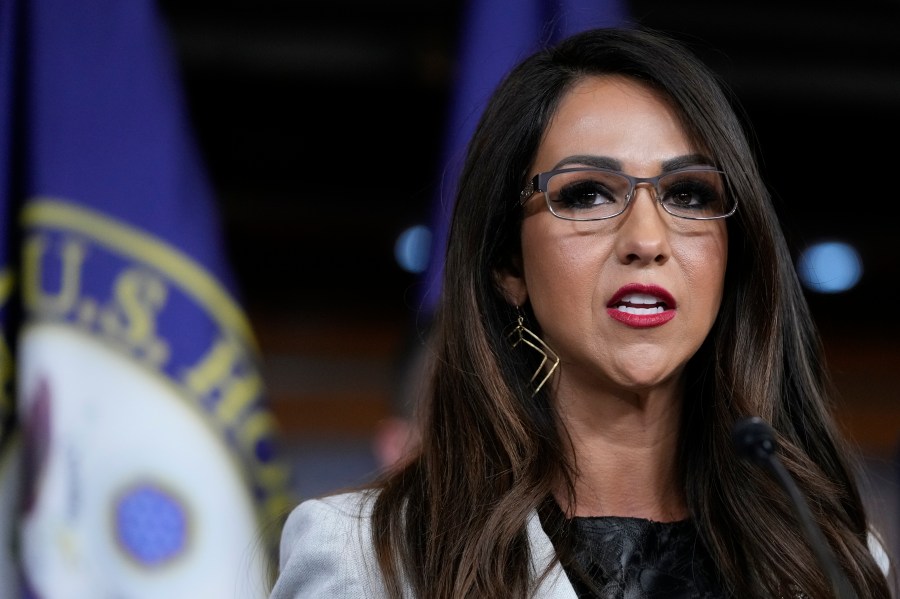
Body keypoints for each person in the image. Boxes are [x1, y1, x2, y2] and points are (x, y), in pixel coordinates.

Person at [268, 26, 895, 598]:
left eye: (687, 193)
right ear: (507, 264)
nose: (647, 240)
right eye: (588, 194)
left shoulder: (832, 560)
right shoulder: (368, 558)